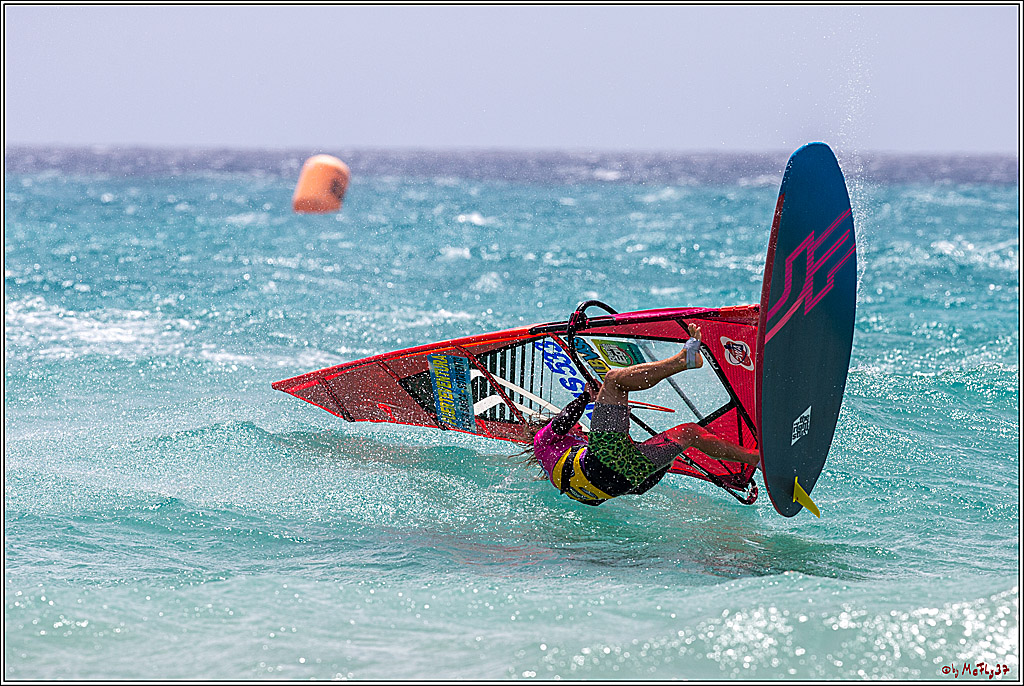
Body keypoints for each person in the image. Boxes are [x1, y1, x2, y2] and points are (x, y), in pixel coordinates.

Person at [523, 323, 760, 505]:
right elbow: (563, 422)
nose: (578, 427)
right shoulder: (541, 442)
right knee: (614, 380)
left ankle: (755, 458)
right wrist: (585, 398)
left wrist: (661, 462)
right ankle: (684, 359)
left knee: (689, 433)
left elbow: (633, 488)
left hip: (629, 480)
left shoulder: (561, 471)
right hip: (602, 464)